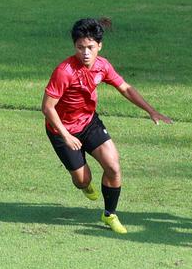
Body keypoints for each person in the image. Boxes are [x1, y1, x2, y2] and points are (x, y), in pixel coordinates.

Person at [42, 17, 172, 235]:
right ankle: (85, 185)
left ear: (99, 46)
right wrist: (65, 135)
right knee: (83, 180)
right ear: (74, 46)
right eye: (80, 47)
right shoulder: (64, 71)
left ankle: (109, 214)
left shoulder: (103, 66)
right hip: (61, 129)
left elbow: (125, 88)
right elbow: (47, 107)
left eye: (90, 47)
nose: (85, 53)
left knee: (113, 166)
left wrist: (151, 110)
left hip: (89, 123)